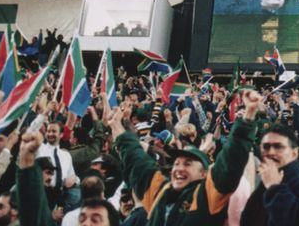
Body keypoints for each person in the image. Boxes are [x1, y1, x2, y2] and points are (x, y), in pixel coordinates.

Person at [109, 89, 261, 225]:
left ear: (203, 174)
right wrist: (115, 125)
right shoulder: (159, 190)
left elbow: (231, 160)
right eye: (177, 163)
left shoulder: (207, 195)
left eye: (188, 164)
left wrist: (248, 117)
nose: (179, 169)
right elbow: (135, 158)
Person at [16, 131, 121, 226]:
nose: (86, 223)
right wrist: (27, 164)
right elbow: (34, 218)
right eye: (81, 218)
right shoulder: (69, 216)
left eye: (96, 220)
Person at [240, 123, 299, 226]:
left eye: (278, 146)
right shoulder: (262, 184)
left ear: (294, 153)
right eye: (266, 147)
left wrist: (274, 188)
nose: (271, 152)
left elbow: (297, 221)